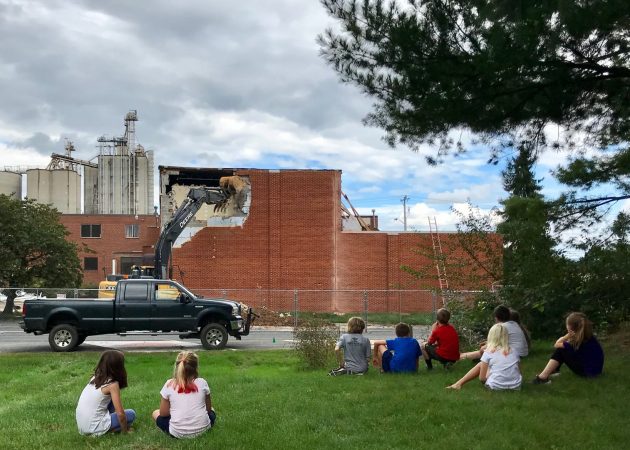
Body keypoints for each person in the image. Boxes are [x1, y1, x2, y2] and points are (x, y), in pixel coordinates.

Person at [448, 305, 528, 389]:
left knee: (482, 361)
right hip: (516, 384)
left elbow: (482, 378)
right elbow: (519, 373)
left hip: (496, 384)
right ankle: (461, 357)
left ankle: (458, 380)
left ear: (496, 318)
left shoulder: (501, 327)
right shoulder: (513, 325)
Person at [153, 351, 216, 438]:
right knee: (212, 410)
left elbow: (163, 414)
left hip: (177, 433)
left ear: (177, 367)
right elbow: (208, 409)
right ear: (196, 368)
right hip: (203, 429)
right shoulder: (202, 382)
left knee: (155, 413)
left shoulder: (169, 384)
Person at [532, 312, 604, 384]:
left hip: (587, 373)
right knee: (563, 349)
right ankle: (553, 370)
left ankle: (542, 378)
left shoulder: (576, 340)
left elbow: (556, 344)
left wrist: (567, 336)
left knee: (560, 350)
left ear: (570, 327)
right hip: (595, 371)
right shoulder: (588, 336)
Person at [76, 350, 135, 436]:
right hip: (94, 427)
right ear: (118, 367)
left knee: (109, 400)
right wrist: (125, 431)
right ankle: (106, 430)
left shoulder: (94, 378)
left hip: (82, 427)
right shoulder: (112, 385)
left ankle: (105, 424)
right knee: (131, 414)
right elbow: (121, 414)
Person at [475, 323, 522, 390]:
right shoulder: (514, 351)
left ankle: (458, 384)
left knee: (484, 366)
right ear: (506, 336)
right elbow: (519, 372)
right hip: (516, 386)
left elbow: (482, 378)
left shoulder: (488, 352)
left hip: (495, 386)